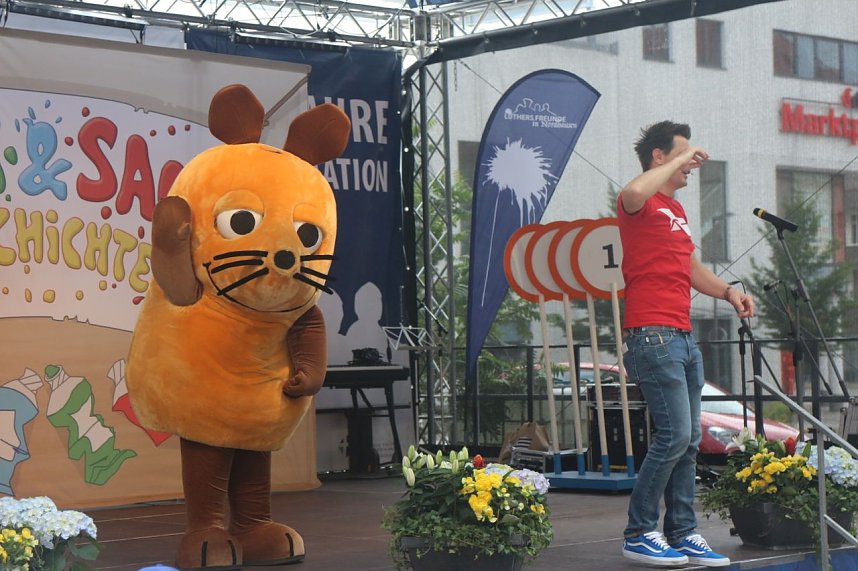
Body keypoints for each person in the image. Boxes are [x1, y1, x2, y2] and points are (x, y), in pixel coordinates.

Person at [617, 121, 755, 568]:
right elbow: (633, 192)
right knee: (674, 434)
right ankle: (639, 532)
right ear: (659, 157)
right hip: (651, 333)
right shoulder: (638, 201)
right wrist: (681, 157)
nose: (691, 162)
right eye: (682, 155)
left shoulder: (674, 210)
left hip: (681, 335)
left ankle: (682, 531)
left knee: (688, 438)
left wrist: (729, 292)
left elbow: (691, 268)